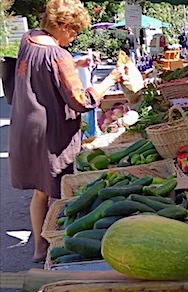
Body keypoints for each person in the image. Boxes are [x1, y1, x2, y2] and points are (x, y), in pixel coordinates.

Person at [8, 0, 122, 262]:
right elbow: (81, 101)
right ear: (60, 25)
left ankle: (39, 247)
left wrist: (76, 63)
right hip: (51, 131)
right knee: (60, 190)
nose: (74, 37)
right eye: (73, 31)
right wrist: (111, 79)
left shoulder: (29, 39)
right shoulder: (58, 56)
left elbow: (42, 71)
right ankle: (61, 245)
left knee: (40, 190)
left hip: (26, 126)